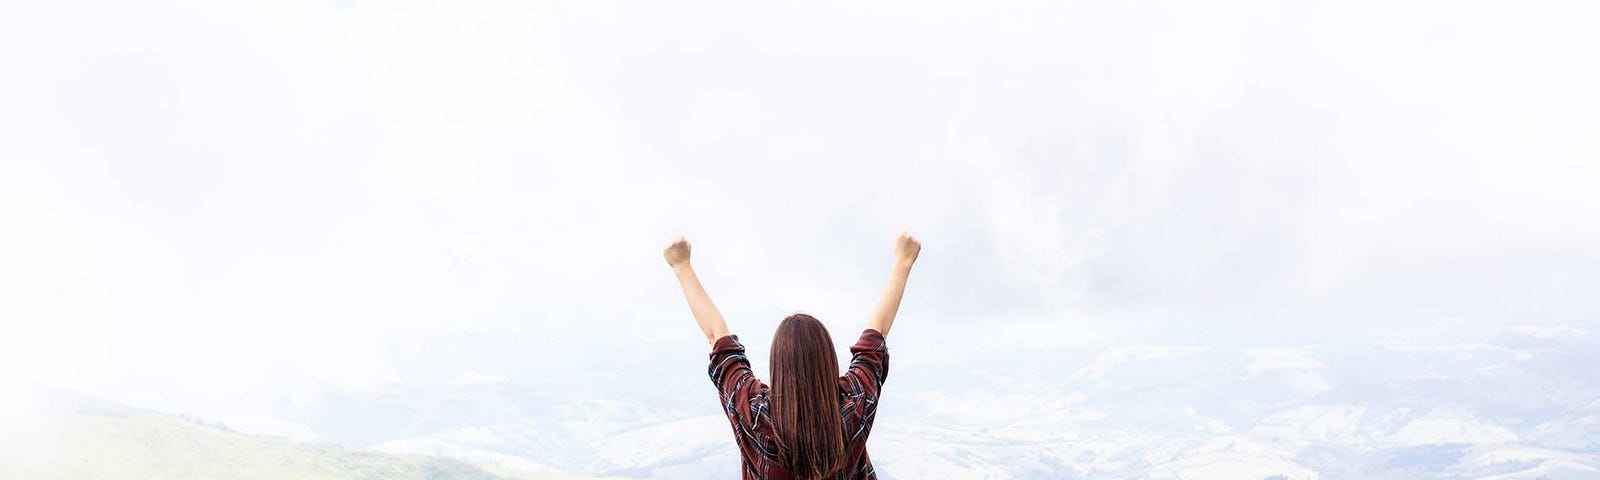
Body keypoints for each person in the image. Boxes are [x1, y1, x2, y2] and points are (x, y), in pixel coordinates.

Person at [663, 233, 921, 480]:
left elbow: (717, 337)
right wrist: (903, 261)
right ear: (827, 360)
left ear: (778, 366)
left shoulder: (756, 417)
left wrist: (682, 266)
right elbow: (876, 336)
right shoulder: (853, 406)